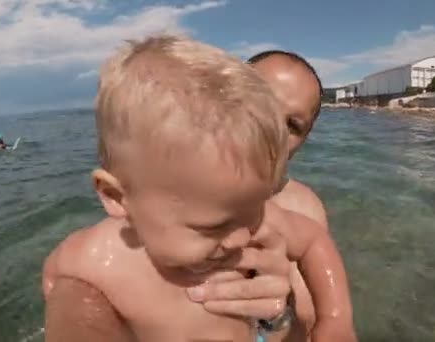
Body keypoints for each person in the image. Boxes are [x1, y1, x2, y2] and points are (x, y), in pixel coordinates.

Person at [42, 35, 355, 342]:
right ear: (116, 197)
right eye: (212, 227)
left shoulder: (260, 215)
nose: (243, 236)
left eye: (291, 125)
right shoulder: (102, 253)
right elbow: (56, 275)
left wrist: (335, 319)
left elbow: (314, 241)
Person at [248, 51, 329, 337]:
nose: (272, 131)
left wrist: (279, 311)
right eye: (260, 106)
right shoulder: (175, 185)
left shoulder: (303, 210)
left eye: (292, 125)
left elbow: (311, 323)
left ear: (303, 142)